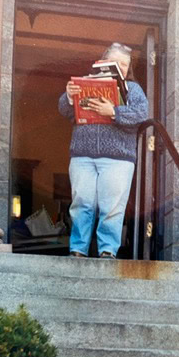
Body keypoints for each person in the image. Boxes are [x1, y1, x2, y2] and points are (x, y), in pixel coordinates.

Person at [58, 42, 148, 259]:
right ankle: (78, 250)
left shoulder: (133, 89)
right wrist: (69, 96)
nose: (121, 68)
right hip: (82, 155)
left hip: (118, 158)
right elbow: (65, 110)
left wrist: (114, 112)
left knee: (112, 207)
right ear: (103, 61)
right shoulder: (84, 83)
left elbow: (142, 115)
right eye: (116, 62)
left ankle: (107, 251)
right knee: (81, 204)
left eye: (125, 65)